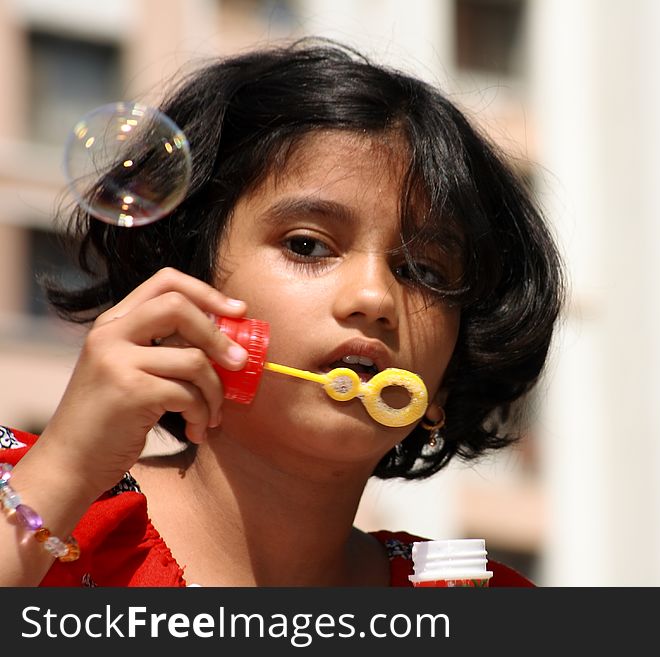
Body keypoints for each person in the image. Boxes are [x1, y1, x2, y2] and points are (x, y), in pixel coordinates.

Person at [0, 37, 565, 587]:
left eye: (425, 273)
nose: (374, 298)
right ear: (183, 284)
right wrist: (66, 470)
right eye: (307, 245)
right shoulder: (30, 494)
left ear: (443, 386)